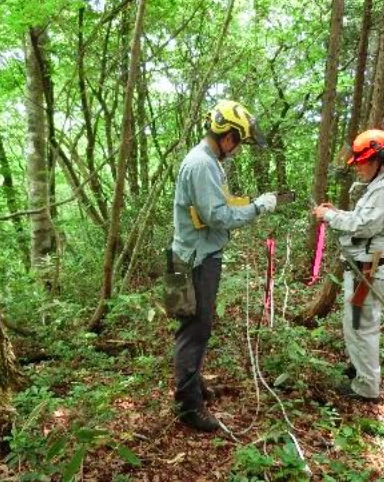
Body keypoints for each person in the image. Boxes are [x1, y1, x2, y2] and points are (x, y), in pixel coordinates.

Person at [170, 100, 277, 432]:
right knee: (195, 331)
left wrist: (245, 204)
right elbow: (218, 216)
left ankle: (193, 386)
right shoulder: (202, 164)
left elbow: (214, 207)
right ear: (228, 136)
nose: (238, 148)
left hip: (185, 255)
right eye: (239, 141)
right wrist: (257, 207)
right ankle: (189, 407)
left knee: (192, 329)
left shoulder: (206, 162)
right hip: (196, 261)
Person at [312, 129, 384, 402]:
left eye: (363, 162)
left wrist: (329, 216)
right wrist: (337, 213)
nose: (358, 168)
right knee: (355, 323)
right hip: (362, 268)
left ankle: (367, 387)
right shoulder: (377, 187)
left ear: (378, 160)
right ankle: (360, 372)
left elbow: (364, 226)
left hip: (369, 271)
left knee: (362, 327)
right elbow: (360, 217)